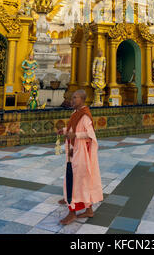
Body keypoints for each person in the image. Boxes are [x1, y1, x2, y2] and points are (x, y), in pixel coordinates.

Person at [57, 90, 103, 225]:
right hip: (74, 151)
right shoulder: (75, 114)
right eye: (72, 98)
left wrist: (75, 136)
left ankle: (72, 213)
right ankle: (88, 210)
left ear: (83, 100)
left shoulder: (85, 116)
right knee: (80, 180)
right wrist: (65, 131)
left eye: (75, 98)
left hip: (81, 153)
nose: (72, 100)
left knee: (75, 181)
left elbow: (90, 135)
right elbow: (73, 130)